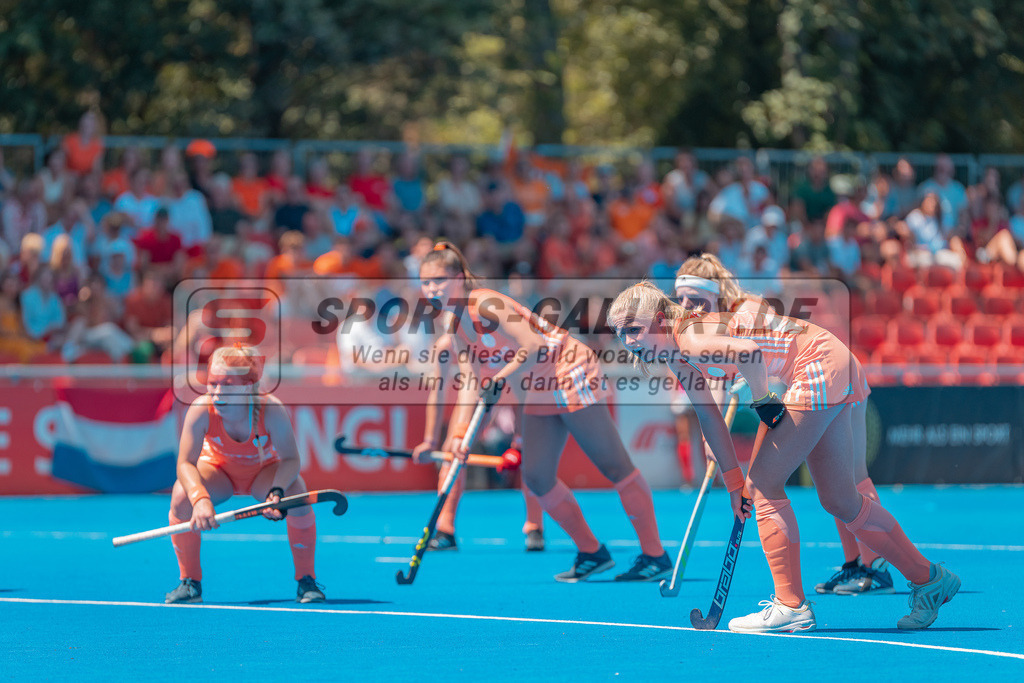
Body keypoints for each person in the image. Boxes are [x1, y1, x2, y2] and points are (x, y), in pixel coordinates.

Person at [607, 281, 959, 633]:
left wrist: (762, 399)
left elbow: (747, 353)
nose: (628, 341)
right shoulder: (679, 354)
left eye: (634, 330)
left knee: (763, 486)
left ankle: (791, 606)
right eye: (621, 334)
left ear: (659, 320)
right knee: (839, 499)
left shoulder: (690, 338)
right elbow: (709, 417)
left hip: (815, 366)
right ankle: (929, 579)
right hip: (827, 360)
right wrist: (732, 483)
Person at [413, 242, 671, 582]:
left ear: (459, 278)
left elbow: (532, 346)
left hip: (568, 369)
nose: (432, 290)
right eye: (425, 282)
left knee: (614, 465)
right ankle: (592, 551)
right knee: (536, 476)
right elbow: (477, 387)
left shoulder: (486, 303)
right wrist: (463, 439)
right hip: (538, 384)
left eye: (439, 281)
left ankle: (656, 556)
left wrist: (501, 379)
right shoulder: (456, 326)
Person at [675, 253, 894, 596]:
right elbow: (717, 374)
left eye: (697, 298)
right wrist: (712, 437)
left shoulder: (746, 308)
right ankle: (856, 565)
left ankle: (876, 568)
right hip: (819, 375)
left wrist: (750, 380)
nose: (688, 306)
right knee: (839, 483)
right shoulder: (712, 326)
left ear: (717, 294)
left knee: (853, 476)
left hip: (830, 373)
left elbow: (765, 352)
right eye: (682, 299)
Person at [165, 344, 325, 604]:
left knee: (298, 492)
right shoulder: (200, 409)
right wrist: (200, 499)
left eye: (227, 384)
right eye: (212, 383)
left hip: (262, 474)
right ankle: (190, 582)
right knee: (181, 494)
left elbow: (291, 460)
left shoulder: (271, 409)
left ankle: (306, 580)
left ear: (249, 386)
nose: (217, 393)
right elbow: (185, 463)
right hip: (217, 474)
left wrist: (277, 492)